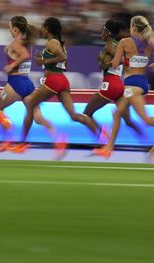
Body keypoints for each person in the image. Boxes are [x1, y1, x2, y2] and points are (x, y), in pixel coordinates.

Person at [14, 17, 101, 158]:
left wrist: (43, 60)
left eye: (43, 26)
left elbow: (62, 58)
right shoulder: (59, 42)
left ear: (48, 28)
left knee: (30, 103)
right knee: (73, 115)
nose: (41, 29)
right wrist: (42, 62)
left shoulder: (52, 42)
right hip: (62, 80)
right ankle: (101, 135)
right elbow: (61, 61)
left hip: (53, 80)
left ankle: (23, 142)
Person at [93, 15, 154, 158]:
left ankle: (108, 149)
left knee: (117, 114)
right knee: (145, 119)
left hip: (131, 85)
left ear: (134, 28)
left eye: (130, 27)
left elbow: (116, 64)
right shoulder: (150, 43)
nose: (129, 29)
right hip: (142, 84)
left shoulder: (124, 42)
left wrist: (105, 62)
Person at [0, 16, 57, 153]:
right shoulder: (25, 43)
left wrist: (11, 65)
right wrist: (10, 50)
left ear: (15, 29)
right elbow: (22, 53)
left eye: (10, 27)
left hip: (15, 84)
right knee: (37, 117)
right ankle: (58, 137)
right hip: (27, 84)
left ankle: (7, 139)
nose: (9, 30)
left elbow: (24, 55)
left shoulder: (16, 44)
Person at [83, 19, 143, 142]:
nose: (100, 34)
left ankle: (103, 139)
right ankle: (148, 143)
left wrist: (107, 64)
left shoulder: (110, 45)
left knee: (86, 114)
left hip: (110, 85)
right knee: (128, 121)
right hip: (119, 86)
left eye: (102, 31)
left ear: (107, 33)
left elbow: (122, 59)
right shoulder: (116, 44)